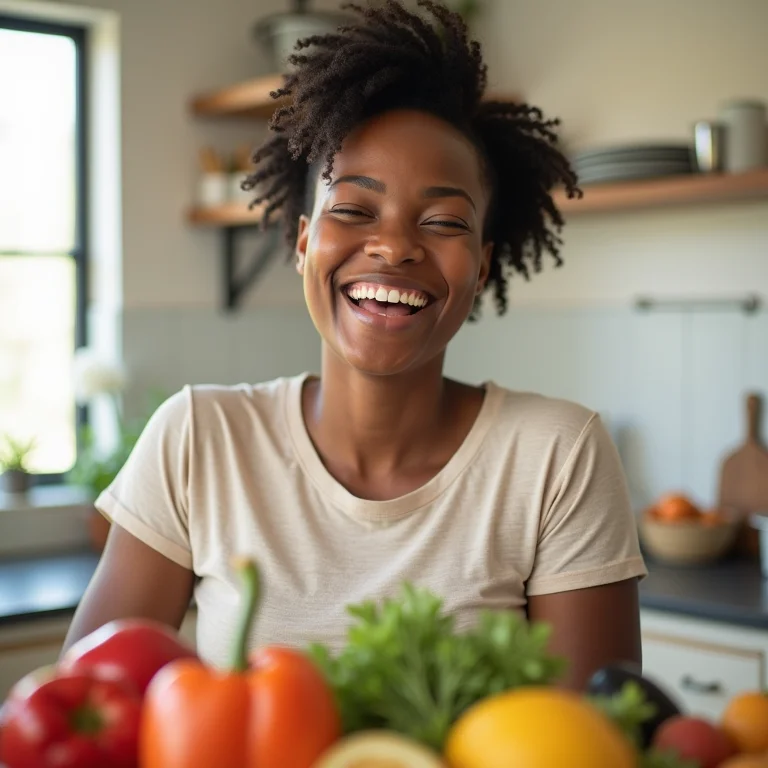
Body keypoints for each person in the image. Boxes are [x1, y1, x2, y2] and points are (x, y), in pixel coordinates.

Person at [63, 0, 647, 689]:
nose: (395, 246)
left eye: (442, 221)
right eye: (352, 209)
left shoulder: (557, 455)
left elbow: (589, 745)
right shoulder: (199, 439)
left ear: (483, 264)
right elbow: (86, 714)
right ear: (306, 240)